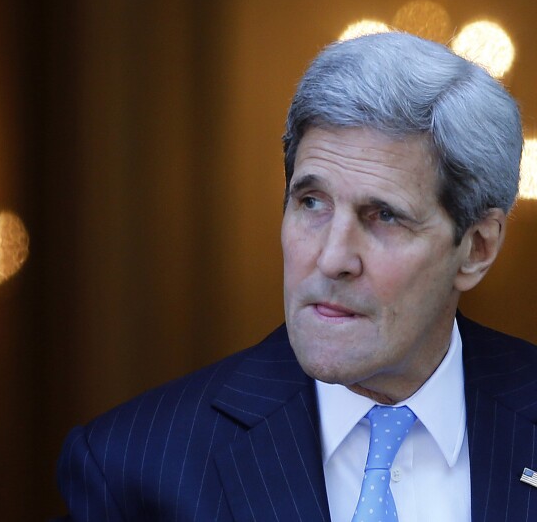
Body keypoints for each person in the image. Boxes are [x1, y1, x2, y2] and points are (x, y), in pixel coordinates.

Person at [53, 31, 537, 521]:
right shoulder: (133, 468)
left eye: (385, 216)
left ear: (477, 248)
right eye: (311, 203)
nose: (332, 258)